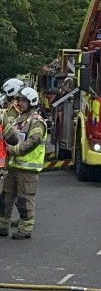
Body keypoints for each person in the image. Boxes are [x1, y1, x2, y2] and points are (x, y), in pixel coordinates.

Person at [0, 87, 47, 239]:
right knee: (5, 199)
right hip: (14, 167)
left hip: (27, 170)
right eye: (19, 100)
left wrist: (12, 150)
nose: (20, 103)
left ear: (31, 101)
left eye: (23, 100)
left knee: (24, 201)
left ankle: (25, 230)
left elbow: (33, 142)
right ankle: (2, 227)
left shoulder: (37, 122)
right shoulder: (20, 119)